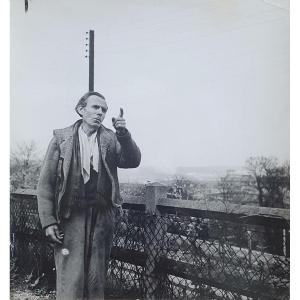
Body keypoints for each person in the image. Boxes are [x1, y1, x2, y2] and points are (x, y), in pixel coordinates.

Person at [37, 91, 141, 300]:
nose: (100, 113)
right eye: (95, 107)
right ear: (81, 109)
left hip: (101, 218)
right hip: (70, 217)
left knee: (96, 279)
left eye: (104, 109)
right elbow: (46, 184)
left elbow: (131, 160)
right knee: (71, 277)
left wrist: (124, 133)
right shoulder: (61, 138)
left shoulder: (111, 139)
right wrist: (48, 222)